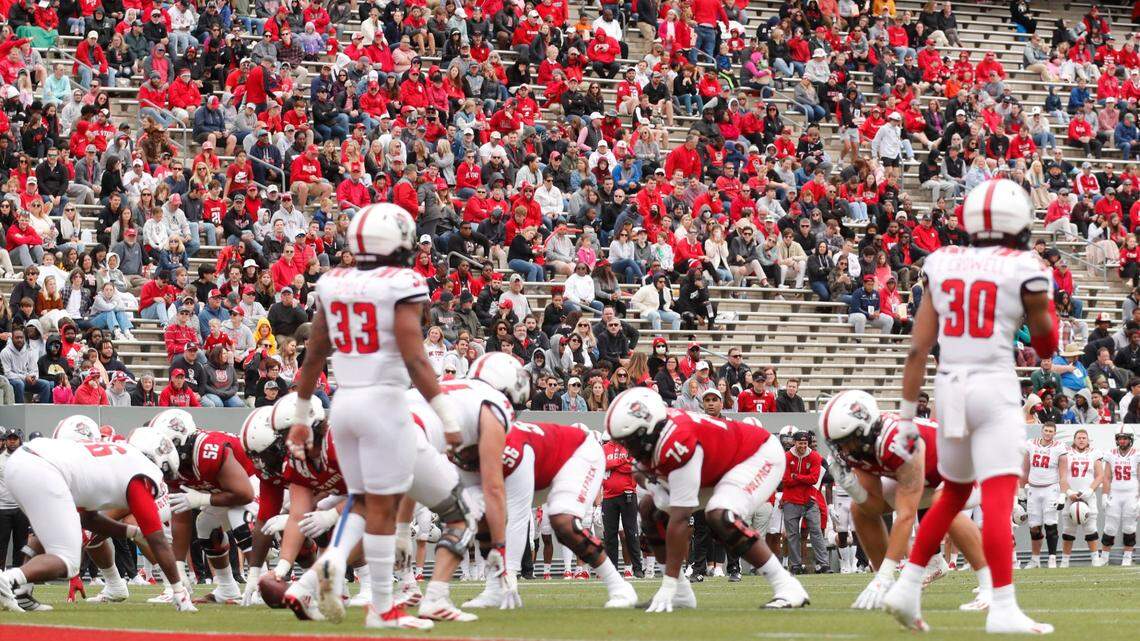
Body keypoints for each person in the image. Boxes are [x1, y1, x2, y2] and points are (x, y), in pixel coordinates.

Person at [882, 179, 1057, 634]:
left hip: (948, 386)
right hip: (993, 383)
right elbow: (1046, 345)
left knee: (954, 492)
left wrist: (905, 418)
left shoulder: (942, 262)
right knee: (997, 496)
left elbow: (918, 349)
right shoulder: (1026, 266)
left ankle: (906, 586)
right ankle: (1002, 608)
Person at [283, 203, 462, 629]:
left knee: (364, 500)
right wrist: (447, 416)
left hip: (343, 402)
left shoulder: (334, 280)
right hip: (384, 402)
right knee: (386, 504)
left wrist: (302, 413)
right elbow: (415, 356)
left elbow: (313, 354)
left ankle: (330, 567)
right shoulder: (402, 281)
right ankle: (382, 608)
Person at [605, 388, 809, 611]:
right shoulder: (659, 436)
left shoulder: (677, 442)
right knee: (649, 509)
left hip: (756, 456)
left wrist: (667, 584)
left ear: (649, 429)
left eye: (631, 440)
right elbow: (644, 475)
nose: (628, 448)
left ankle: (788, 586)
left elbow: (681, 518)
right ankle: (682, 594)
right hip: (718, 466)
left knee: (721, 515)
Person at [818, 391, 993, 610]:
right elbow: (872, 507)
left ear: (866, 429)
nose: (843, 450)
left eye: (846, 441)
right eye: (838, 443)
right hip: (926, 477)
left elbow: (906, 515)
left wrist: (885, 572)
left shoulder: (900, 441)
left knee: (942, 504)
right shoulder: (858, 449)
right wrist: (852, 487)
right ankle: (887, 587)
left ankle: (991, 585)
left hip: (965, 466)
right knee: (858, 509)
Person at [0, 430, 193, 614]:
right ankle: (6, 579)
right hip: (41, 470)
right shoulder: (142, 475)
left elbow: (87, 519)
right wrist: (179, 590)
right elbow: (157, 540)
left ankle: (22, 592)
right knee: (68, 560)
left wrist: (131, 532)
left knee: (45, 533)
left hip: (20, 461)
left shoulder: (115, 459)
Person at [493, 421, 637, 607]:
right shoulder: (471, 451)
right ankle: (491, 589)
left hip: (579, 456)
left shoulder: (512, 451)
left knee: (564, 523)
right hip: (545, 471)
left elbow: (518, 516)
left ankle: (619, 586)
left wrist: (510, 572)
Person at [144, 409, 256, 604]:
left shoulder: (207, 450)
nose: (164, 454)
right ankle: (227, 588)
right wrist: (178, 565)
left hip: (253, 481)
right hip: (228, 490)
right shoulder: (174, 462)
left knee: (239, 515)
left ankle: (261, 583)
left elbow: (244, 493)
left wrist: (202, 500)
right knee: (204, 525)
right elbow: (181, 516)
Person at [1022, 422, 1068, 569]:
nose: (1048, 433)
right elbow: (1024, 469)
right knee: (1034, 527)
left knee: (1050, 525)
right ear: (1042, 431)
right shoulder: (1031, 444)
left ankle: (1052, 558)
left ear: (1054, 433)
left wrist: (1062, 494)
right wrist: (1020, 490)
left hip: (1050, 489)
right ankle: (1035, 559)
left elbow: (1063, 474)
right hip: (1033, 489)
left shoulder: (1059, 447)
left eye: (1051, 431)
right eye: (1046, 430)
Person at [782, 431, 829, 575]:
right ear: (794, 443)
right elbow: (785, 480)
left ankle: (824, 564)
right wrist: (804, 478)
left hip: (809, 499)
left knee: (816, 532)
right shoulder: (787, 457)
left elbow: (814, 479)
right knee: (792, 534)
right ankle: (795, 564)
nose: (802, 446)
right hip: (791, 500)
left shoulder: (815, 456)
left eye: (805, 443)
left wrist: (796, 476)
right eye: (800, 443)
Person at [601, 433, 642, 578]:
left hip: (628, 494)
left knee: (631, 532)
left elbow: (631, 468)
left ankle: (637, 568)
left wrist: (614, 465)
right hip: (608, 496)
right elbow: (602, 464)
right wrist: (621, 461)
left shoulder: (630, 446)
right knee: (610, 535)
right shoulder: (604, 448)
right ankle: (612, 571)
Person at [1060, 428, 1103, 568]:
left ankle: (1095, 559)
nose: (1081, 440)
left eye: (1084, 438)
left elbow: (1100, 475)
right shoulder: (1066, 453)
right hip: (1070, 496)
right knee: (1068, 530)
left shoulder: (1094, 453)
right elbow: (1062, 476)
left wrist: (1090, 490)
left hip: (1088, 496)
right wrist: (1068, 492)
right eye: (1079, 437)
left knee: (1091, 528)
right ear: (1074, 440)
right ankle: (1065, 561)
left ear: (1088, 440)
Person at [1098, 426, 1139, 567]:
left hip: (1131, 494)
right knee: (1109, 527)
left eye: (1125, 438)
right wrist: (1104, 495)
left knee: (1129, 527)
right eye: (1120, 438)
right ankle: (1104, 557)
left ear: (1131, 440)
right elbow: (1107, 477)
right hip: (1115, 494)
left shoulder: (1137, 454)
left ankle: (1127, 557)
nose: (1122, 441)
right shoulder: (1111, 454)